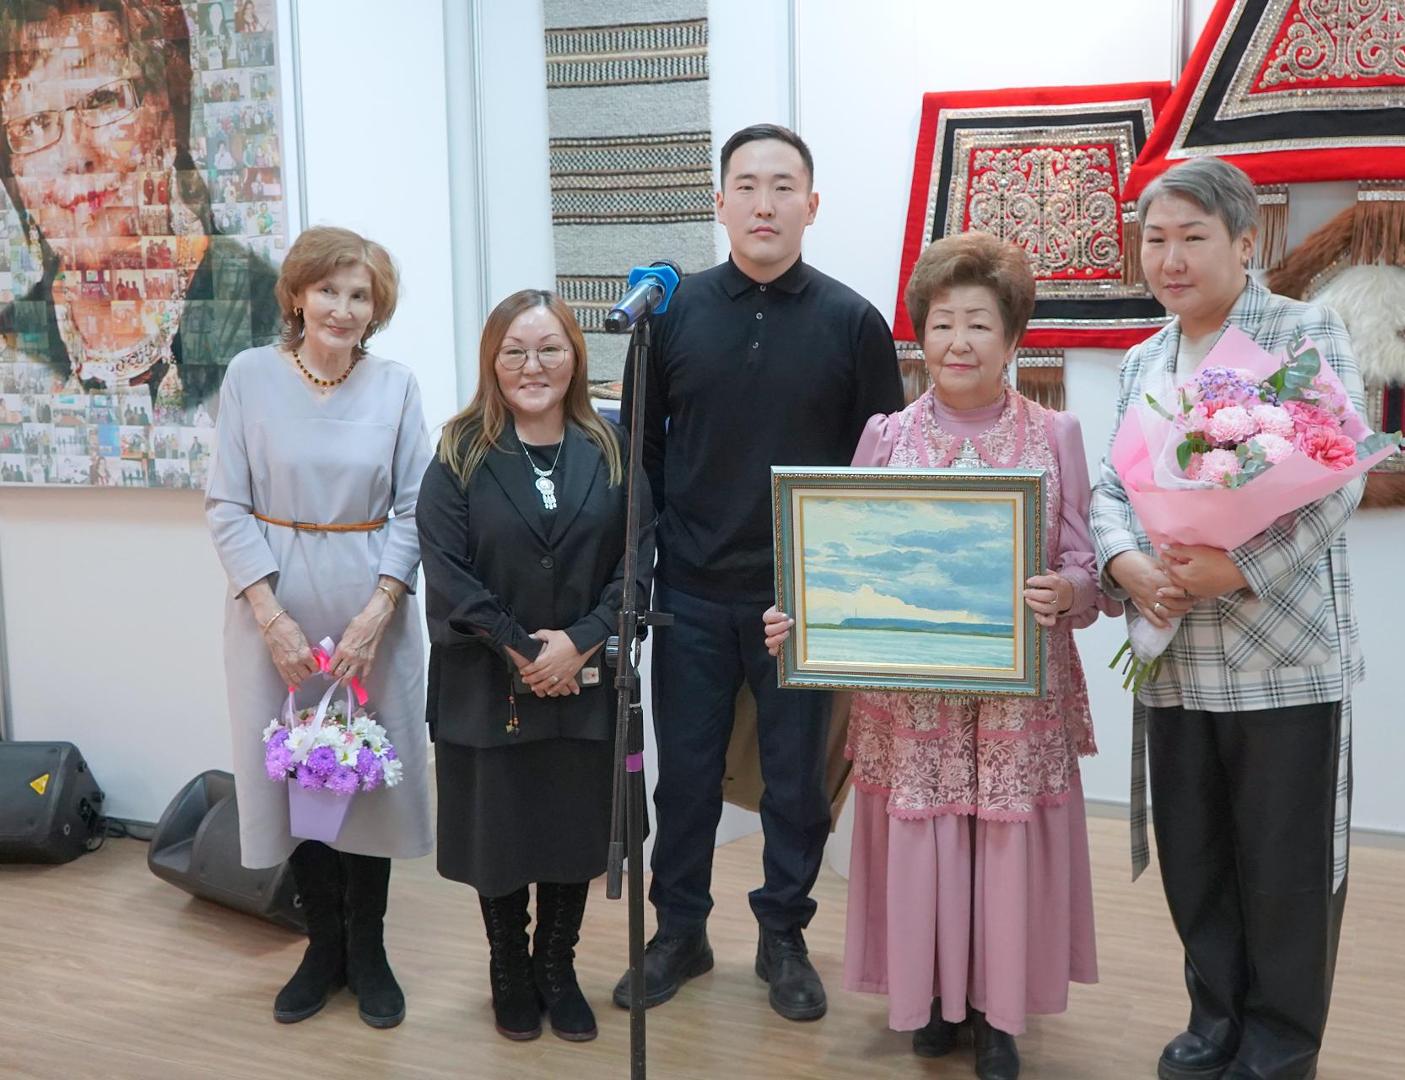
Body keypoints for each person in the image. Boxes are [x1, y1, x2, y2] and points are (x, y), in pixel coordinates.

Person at [763, 231, 1116, 1080]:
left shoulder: (1057, 433)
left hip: (1015, 699)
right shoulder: (886, 435)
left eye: (979, 324)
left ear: (1013, 337)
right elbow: (839, 557)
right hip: (914, 700)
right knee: (925, 841)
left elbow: (1089, 572)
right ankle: (927, 999)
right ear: (921, 333)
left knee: (1000, 847)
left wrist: (1066, 592)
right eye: (943, 323)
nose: (959, 342)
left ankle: (996, 1015)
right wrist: (801, 622)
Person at [615, 123, 904, 1021]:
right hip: (690, 592)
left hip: (802, 601)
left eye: (783, 187)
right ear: (720, 203)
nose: (764, 204)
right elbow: (641, 457)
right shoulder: (670, 316)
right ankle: (680, 931)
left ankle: (783, 934)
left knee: (795, 782)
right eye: (746, 186)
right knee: (685, 777)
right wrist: (638, 580)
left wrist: (848, 594)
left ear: (812, 206)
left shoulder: (854, 323)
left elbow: (879, 468)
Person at [1089, 157, 1367, 1080]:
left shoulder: (1301, 331)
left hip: (1280, 655)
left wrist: (1236, 566)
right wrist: (1125, 564)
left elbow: (1339, 480)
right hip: (1172, 651)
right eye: (1155, 239)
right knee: (1197, 854)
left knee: (1286, 864)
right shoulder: (1143, 358)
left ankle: (1280, 1045)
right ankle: (1214, 1018)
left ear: (1246, 243)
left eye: (1193, 237)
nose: (1170, 259)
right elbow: (1111, 487)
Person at [205, 226, 433, 1031]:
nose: (342, 307)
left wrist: (379, 610)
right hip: (274, 617)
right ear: (298, 296)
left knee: (363, 780)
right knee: (293, 773)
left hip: (374, 619)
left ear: (376, 309)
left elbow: (417, 508)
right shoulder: (250, 376)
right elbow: (226, 505)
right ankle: (321, 948)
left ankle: (368, 950)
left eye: (359, 295)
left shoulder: (396, 386)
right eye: (328, 290)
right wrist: (270, 617)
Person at [417, 289, 654, 1044]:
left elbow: (637, 559)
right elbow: (448, 574)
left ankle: (557, 966)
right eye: (514, 351)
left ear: (574, 359)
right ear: (492, 361)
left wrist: (580, 641)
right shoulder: (459, 452)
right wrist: (523, 649)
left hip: (586, 682)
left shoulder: (611, 447)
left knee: (570, 830)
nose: (533, 366)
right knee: (502, 835)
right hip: (489, 684)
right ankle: (508, 968)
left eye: (550, 349)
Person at [0, 1, 279, 484]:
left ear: (168, 115)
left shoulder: (265, 311)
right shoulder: (16, 340)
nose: (75, 155)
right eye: (33, 125)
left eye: (102, 100)